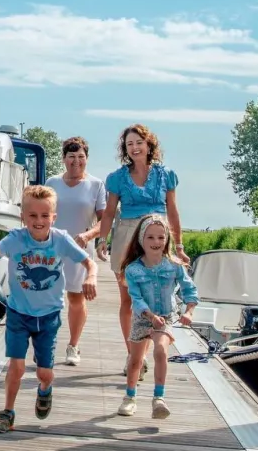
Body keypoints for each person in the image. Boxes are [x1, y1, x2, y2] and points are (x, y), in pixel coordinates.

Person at [0, 184, 91, 433]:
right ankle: (7, 412)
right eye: (33, 215)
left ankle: (45, 390)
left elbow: (88, 261)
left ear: (53, 217)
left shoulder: (60, 239)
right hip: (19, 313)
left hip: (48, 316)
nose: (38, 221)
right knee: (16, 367)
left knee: (44, 373)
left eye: (44, 216)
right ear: (23, 217)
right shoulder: (16, 239)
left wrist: (90, 277)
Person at [94, 124, 186, 351]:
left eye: (138, 143)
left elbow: (173, 211)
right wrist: (102, 239)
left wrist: (180, 245)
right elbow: (109, 212)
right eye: (129, 144)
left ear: (148, 144)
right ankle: (132, 353)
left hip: (156, 237)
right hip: (126, 237)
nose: (134, 148)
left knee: (153, 300)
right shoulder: (117, 178)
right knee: (128, 299)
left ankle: (146, 348)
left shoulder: (166, 175)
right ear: (125, 149)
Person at [117, 214, 198, 418]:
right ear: (141, 240)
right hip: (143, 317)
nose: (156, 242)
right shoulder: (133, 269)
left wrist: (189, 311)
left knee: (161, 350)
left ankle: (158, 398)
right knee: (135, 361)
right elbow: (135, 298)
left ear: (167, 240)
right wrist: (150, 316)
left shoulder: (174, 265)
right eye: (150, 237)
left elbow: (189, 289)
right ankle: (130, 396)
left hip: (166, 317)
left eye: (161, 238)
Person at [45, 136, 106, 367]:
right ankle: (46, 343)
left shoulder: (96, 185)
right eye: (71, 157)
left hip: (80, 248)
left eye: (81, 157)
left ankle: (73, 345)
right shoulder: (52, 183)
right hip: (51, 247)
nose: (76, 162)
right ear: (64, 159)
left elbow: (104, 221)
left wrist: (91, 236)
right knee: (48, 297)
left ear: (87, 159)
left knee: (76, 298)